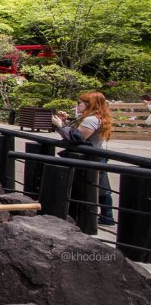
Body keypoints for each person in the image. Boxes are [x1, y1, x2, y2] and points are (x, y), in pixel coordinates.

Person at [51, 91, 115, 225]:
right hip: (96, 155)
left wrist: (60, 126)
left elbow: (76, 138)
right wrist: (64, 123)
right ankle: (107, 216)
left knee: (98, 187)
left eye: (80, 102)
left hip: (90, 157)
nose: (78, 105)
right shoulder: (96, 117)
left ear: (89, 104)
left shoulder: (91, 119)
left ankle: (103, 217)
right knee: (101, 187)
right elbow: (75, 134)